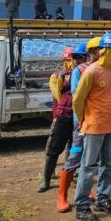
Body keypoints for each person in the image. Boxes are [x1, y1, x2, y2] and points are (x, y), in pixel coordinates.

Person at [72, 33, 111, 221]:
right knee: (88, 167)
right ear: (110, 51)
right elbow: (78, 99)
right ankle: (82, 206)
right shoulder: (92, 71)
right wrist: (83, 119)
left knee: (109, 165)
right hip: (94, 126)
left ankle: (103, 199)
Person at [56, 40, 94, 213]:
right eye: (76, 57)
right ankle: (62, 196)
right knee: (74, 157)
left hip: (95, 122)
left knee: (90, 159)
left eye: (81, 57)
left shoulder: (97, 70)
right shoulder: (78, 72)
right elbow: (77, 95)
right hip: (81, 122)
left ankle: (85, 190)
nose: (78, 60)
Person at [38, 47, 77, 192]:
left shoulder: (83, 73)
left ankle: (69, 175)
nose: (71, 63)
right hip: (63, 115)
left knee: (73, 148)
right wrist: (55, 117)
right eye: (68, 60)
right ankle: (46, 179)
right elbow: (56, 99)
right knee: (54, 147)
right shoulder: (58, 76)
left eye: (73, 59)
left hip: (77, 116)